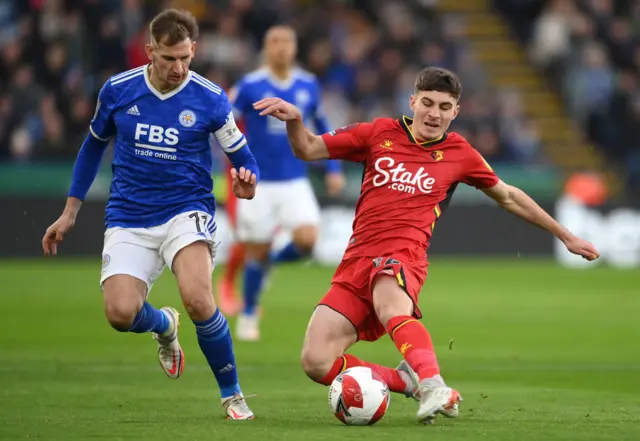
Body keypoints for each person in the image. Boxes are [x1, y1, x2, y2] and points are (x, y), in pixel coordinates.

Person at [254, 67, 600, 424]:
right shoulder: (378, 132)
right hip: (356, 262)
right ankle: (408, 381)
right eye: (428, 103)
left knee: (391, 307)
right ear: (413, 102)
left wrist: (566, 235)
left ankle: (435, 385)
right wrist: (295, 120)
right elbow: (309, 149)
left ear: (456, 112)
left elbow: (508, 196)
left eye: (444, 107)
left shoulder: (459, 153)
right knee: (316, 361)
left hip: (403, 257)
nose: (434, 114)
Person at [41, 9, 258, 420]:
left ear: (194, 50)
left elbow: (243, 157)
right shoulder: (118, 90)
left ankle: (232, 394)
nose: (178, 69)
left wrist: (248, 180)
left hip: (186, 209)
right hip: (129, 214)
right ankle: (163, 325)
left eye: (185, 58)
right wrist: (70, 211)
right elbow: (92, 147)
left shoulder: (210, 97)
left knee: (198, 297)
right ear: (149, 52)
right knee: (120, 314)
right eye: (168, 59)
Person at [219, 25, 345, 341]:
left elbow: (322, 124)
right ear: (266, 47)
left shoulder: (307, 84)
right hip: (258, 181)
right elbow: (224, 121)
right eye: (275, 41)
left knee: (308, 240)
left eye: (287, 41)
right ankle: (248, 314)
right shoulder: (249, 85)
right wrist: (235, 161)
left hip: (294, 179)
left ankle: (270, 264)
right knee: (255, 248)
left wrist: (333, 167)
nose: (281, 48)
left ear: (294, 47)